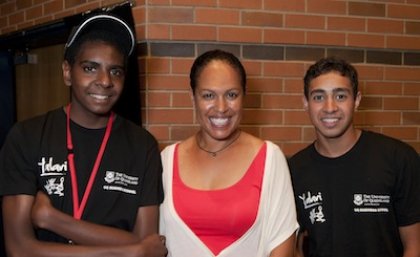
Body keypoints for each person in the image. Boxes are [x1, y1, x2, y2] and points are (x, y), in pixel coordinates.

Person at [0, 13, 167, 257]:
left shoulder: (143, 146)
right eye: (90, 68)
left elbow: (146, 242)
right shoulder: (27, 137)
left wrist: (52, 219)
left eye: (116, 71)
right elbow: (20, 249)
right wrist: (128, 251)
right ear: (67, 72)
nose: (105, 81)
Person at [159, 49, 298, 257]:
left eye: (232, 95)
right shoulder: (167, 160)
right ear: (193, 97)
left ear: (244, 96)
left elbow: (282, 245)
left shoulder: (270, 158)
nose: (221, 107)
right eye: (208, 95)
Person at [288, 57, 420, 257]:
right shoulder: (294, 170)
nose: (330, 107)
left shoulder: (398, 159)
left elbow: (414, 246)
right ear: (305, 103)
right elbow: (295, 249)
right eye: (318, 97)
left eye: (340, 96)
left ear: (357, 100)